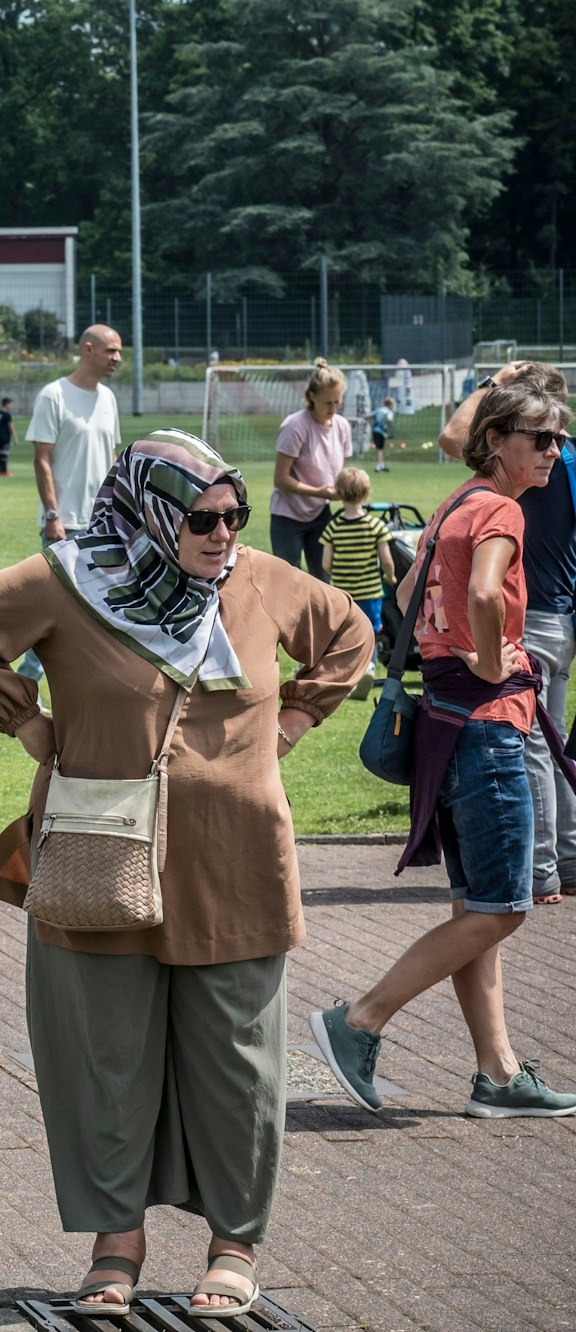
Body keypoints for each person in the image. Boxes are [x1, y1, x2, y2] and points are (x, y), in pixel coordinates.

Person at [0, 429, 371, 1316]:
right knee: (107, 1057)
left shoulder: (255, 579)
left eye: (235, 514)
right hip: (102, 859)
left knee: (240, 1062)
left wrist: (286, 728)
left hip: (237, 860)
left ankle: (234, 1244)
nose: (225, 533)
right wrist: (27, 723)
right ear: (148, 511)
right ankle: (116, 1243)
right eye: (203, 517)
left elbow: (352, 632)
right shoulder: (72, 578)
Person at [313, 379, 576, 1122]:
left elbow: (403, 603)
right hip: (488, 728)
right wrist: (494, 660)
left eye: (558, 437)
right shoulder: (498, 510)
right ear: (497, 440)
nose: (553, 451)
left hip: (444, 728)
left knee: (478, 907)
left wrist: (458, 648)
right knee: (504, 911)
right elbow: (488, 596)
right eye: (540, 438)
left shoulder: (454, 507)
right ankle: (358, 1020)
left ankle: (498, 1074)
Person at [440, 362, 576, 906]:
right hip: (563, 613)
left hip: (530, 616)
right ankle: (566, 859)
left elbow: (455, 438)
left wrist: (492, 386)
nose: (550, 445)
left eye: (554, 436)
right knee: (556, 738)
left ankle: (541, 870)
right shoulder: (568, 460)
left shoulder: (518, 473)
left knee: (537, 746)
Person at [20, 325, 123, 680]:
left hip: (103, 523)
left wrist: (119, 510)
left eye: (119, 351)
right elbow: (42, 459)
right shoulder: (54, 396)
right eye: (111, 351)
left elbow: (111, 457)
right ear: (89, 350)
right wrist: (53, 514)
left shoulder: (108, 399)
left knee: (103, 609)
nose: (117, 358)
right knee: (57, 611)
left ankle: (85, 684)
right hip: (65, 522)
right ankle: (24, 683)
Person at [271, 358, 352, 580]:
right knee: (286, 582)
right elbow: (280, 479)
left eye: (337, 402)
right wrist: (320, 492)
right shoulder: (294, 426)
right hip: (287, 517)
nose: (333, 409)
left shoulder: (342, 426)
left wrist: (349, 491)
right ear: (312, 396)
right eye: (328, 403)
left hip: (321, 515)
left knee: (323, 581)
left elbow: (340, 473)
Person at [319, 466, 395, 675]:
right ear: (366, 492)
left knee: (346, 630)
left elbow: (325, 562)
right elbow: (386, 560)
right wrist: (391, 577)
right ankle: (369, 666)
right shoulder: (376, 526)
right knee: (369, 629)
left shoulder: (333, 527)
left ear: (339, 493)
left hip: (344, 593)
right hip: (370, 593)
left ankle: (347, 668)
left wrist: (339, 572)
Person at [371, 395, 394, 472]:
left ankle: (381, 465)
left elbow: (368, 416)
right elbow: (389, 419)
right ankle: (378, 466)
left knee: (379, 449)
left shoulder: (378, 410)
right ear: (390, 405)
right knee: (379, 449)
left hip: (375, 431)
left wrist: (371, 425)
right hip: (381, 432)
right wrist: (387, 425)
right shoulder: (388, 412)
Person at [0, 396, 15, 477]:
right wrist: (15, 437)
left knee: (1, 454)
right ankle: (4, 472)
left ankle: (1, 470)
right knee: (5, 454)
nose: (11, 406)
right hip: (5, 436)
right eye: (10, 404)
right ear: (6, 404)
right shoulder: (7, 414)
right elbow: (11, 426)